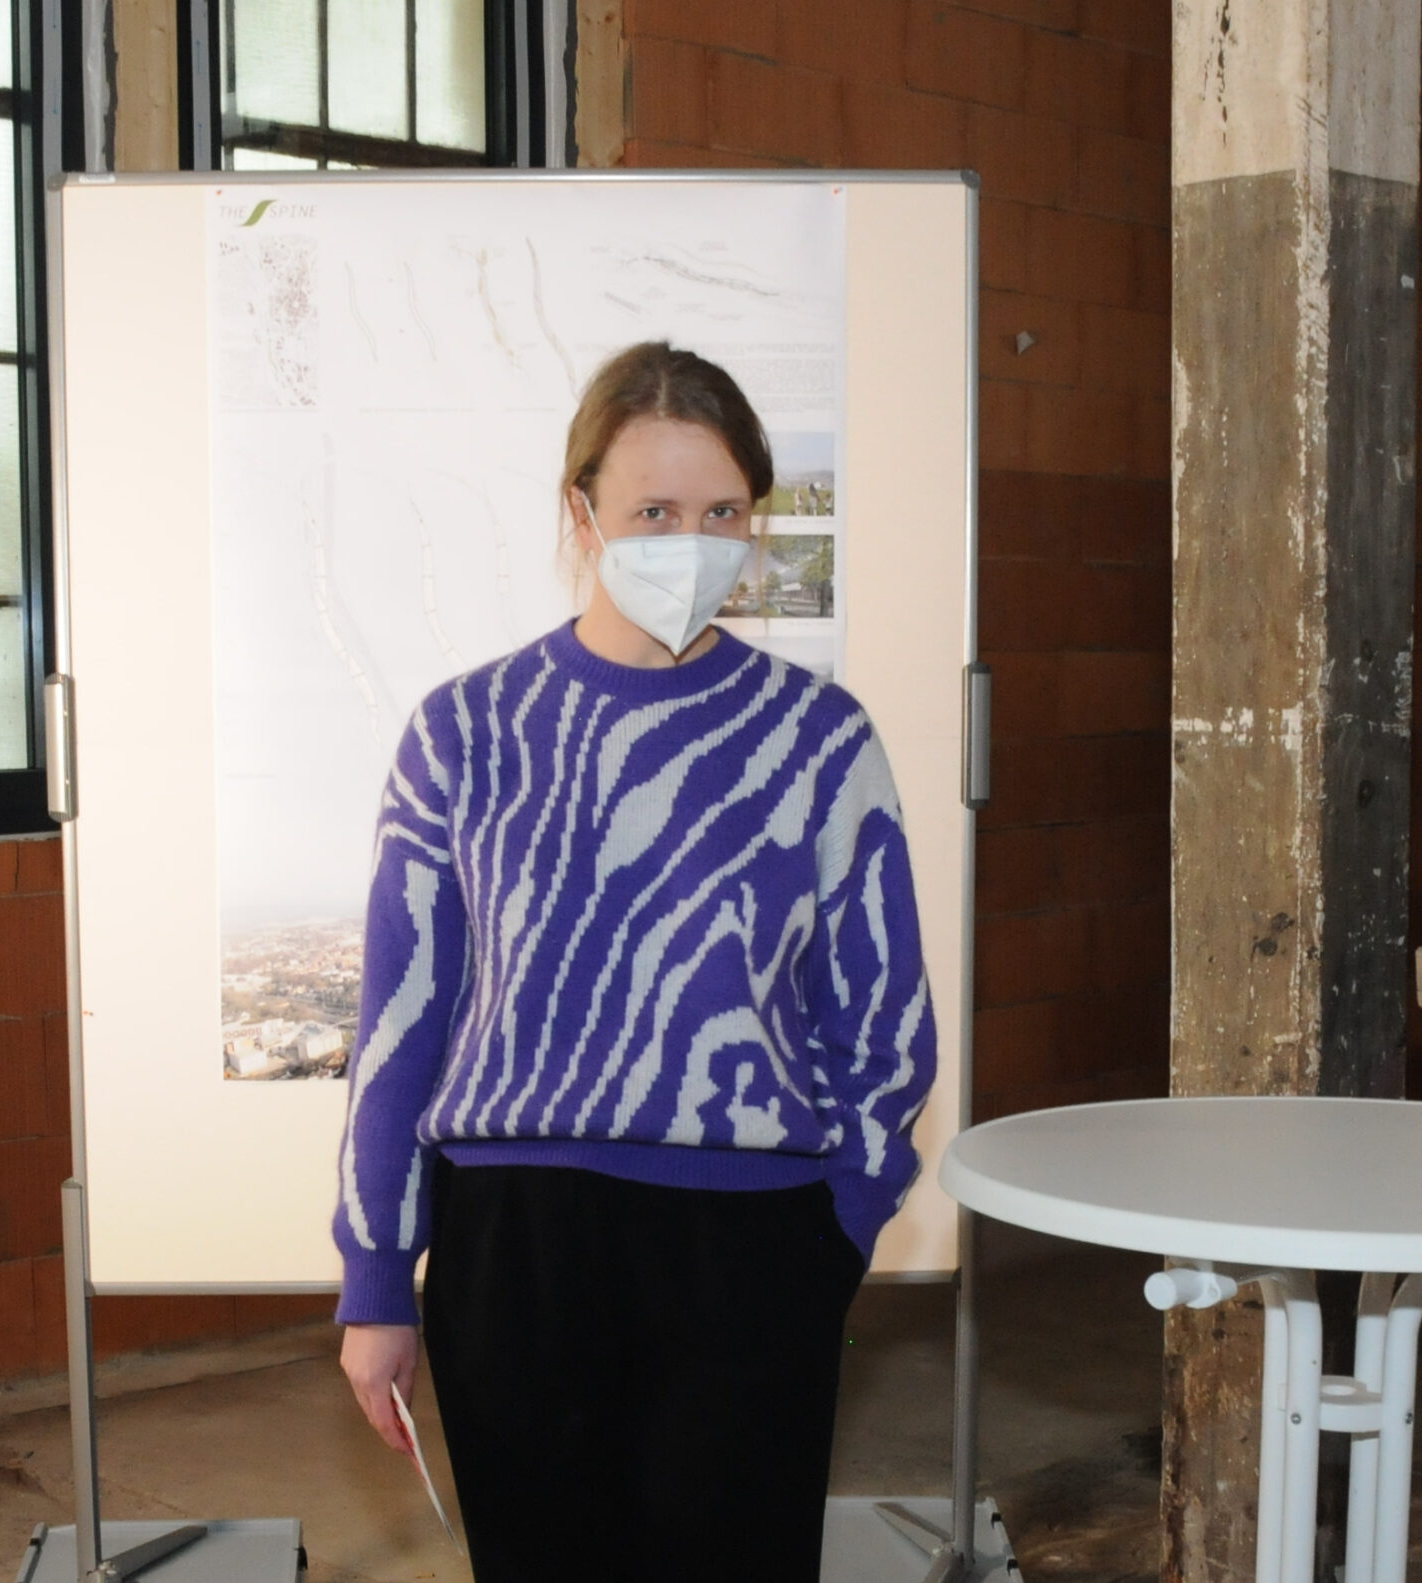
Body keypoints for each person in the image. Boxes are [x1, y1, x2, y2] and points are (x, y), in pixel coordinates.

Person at [332, 341, 935, 1582]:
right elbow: (401, 1022)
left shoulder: (819, 739)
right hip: (518, 1255)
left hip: (755, 1248)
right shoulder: (463, 731)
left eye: (722, 512)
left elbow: (882, 1014)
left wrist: (843, 1220)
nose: (690, 539)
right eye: (654, 509)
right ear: (580, 511)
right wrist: (376, 1278)